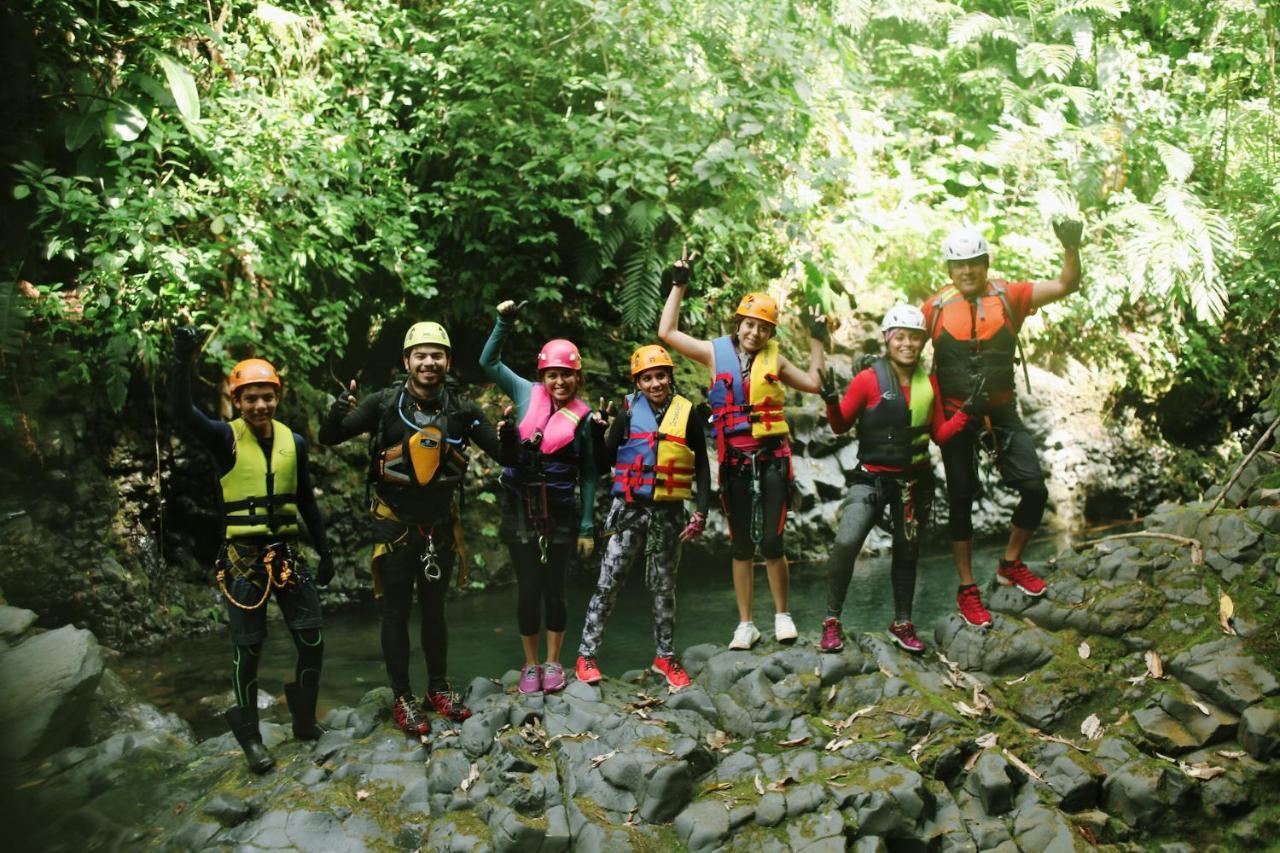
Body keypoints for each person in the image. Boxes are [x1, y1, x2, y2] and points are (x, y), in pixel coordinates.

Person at [319, 322, 499, 736]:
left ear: (447, 361)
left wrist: (512, 431)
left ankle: (438, 688)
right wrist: (335, 412)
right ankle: (402, 696)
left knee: (435, 611)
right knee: (395, 612)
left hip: (438, 528)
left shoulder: (462, 410)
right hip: (394, 526)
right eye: (421, 354)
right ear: (406, 362)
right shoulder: (384, 405)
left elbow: (505, 452)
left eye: (437, 354)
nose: (429, 362)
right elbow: (332, 437)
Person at [172, 329, 333, 774]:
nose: (260, 406)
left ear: (277, 397)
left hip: (286, 555)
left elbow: (306, 502)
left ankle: (303, 721)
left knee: (312, 639)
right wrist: (181, 361)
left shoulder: (293, 443)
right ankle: (253, 742)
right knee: (249, 649)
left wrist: (326, 551)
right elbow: (182, 412)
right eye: (250, 398)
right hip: (242, 559)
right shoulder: (224, 438)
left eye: (267, 397)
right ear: (237, 401)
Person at [658, 251, 830, 649]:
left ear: (771, 333)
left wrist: (819, 340)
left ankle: (782, 615)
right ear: (739, 324)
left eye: (763, 328)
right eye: (750, 325)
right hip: (734, 462)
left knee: (772, 542)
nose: (755, 333)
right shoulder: (714, 353)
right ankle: (746, 623)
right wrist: (678, 283)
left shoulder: (777, 360)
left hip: (771, 459)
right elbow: (667, 332)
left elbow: (814, 382)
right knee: (740, 546)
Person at [922, 221, 1083, 627]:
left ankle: (1010, 563)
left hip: (1002, 410)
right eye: (959, 266)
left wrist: (1070, 246)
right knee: (960, 500)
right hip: (957, 413)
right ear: (949, 270)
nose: (967, 272)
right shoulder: (934, 308)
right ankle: (966, 587)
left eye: (974, 263)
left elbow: (1066, 284)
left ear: (986, 263)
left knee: (1033, 487)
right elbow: (901, 351)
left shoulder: (1011, 295)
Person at [818, 305, 982, 654]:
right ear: (888, 340)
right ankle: (832, 621)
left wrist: (968, 410)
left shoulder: (930, 383)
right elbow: (839, 425)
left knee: (907, 554)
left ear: (923, 342)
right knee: (847, 543)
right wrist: (831, 401)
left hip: (913, 483)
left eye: (915, 338)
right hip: (870, 479)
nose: (908, 344)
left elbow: (939, 434)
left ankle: (902, 623)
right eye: (901, 337)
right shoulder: (867, 380)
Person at [575, 344, 711, 690]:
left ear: (670, 376)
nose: (655, 384)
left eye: (660, 376)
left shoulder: (687, 413)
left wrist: (702, 511)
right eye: (647, 378)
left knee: (665, 587)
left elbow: (702, 467)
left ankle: (664, 655)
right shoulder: (628, 415)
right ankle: (586, 655)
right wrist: (595, 431)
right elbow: (606, 463)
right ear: (638, 383)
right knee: (609, 581)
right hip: (628, 513)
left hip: (669, 515)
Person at [480, 301, 597, 694]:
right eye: (552, 375)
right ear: (542, 375)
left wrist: (586, 526)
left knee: (555, 589)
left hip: (562, 511)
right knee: (528, 588)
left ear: (576, 377)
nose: (559, 382)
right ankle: (529, 664)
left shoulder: (584, 418)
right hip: (520, 508)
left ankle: (553, 662)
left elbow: (591, 474)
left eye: (566, 375)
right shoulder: (524, 393)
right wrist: (504, 322)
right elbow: (488, 362)